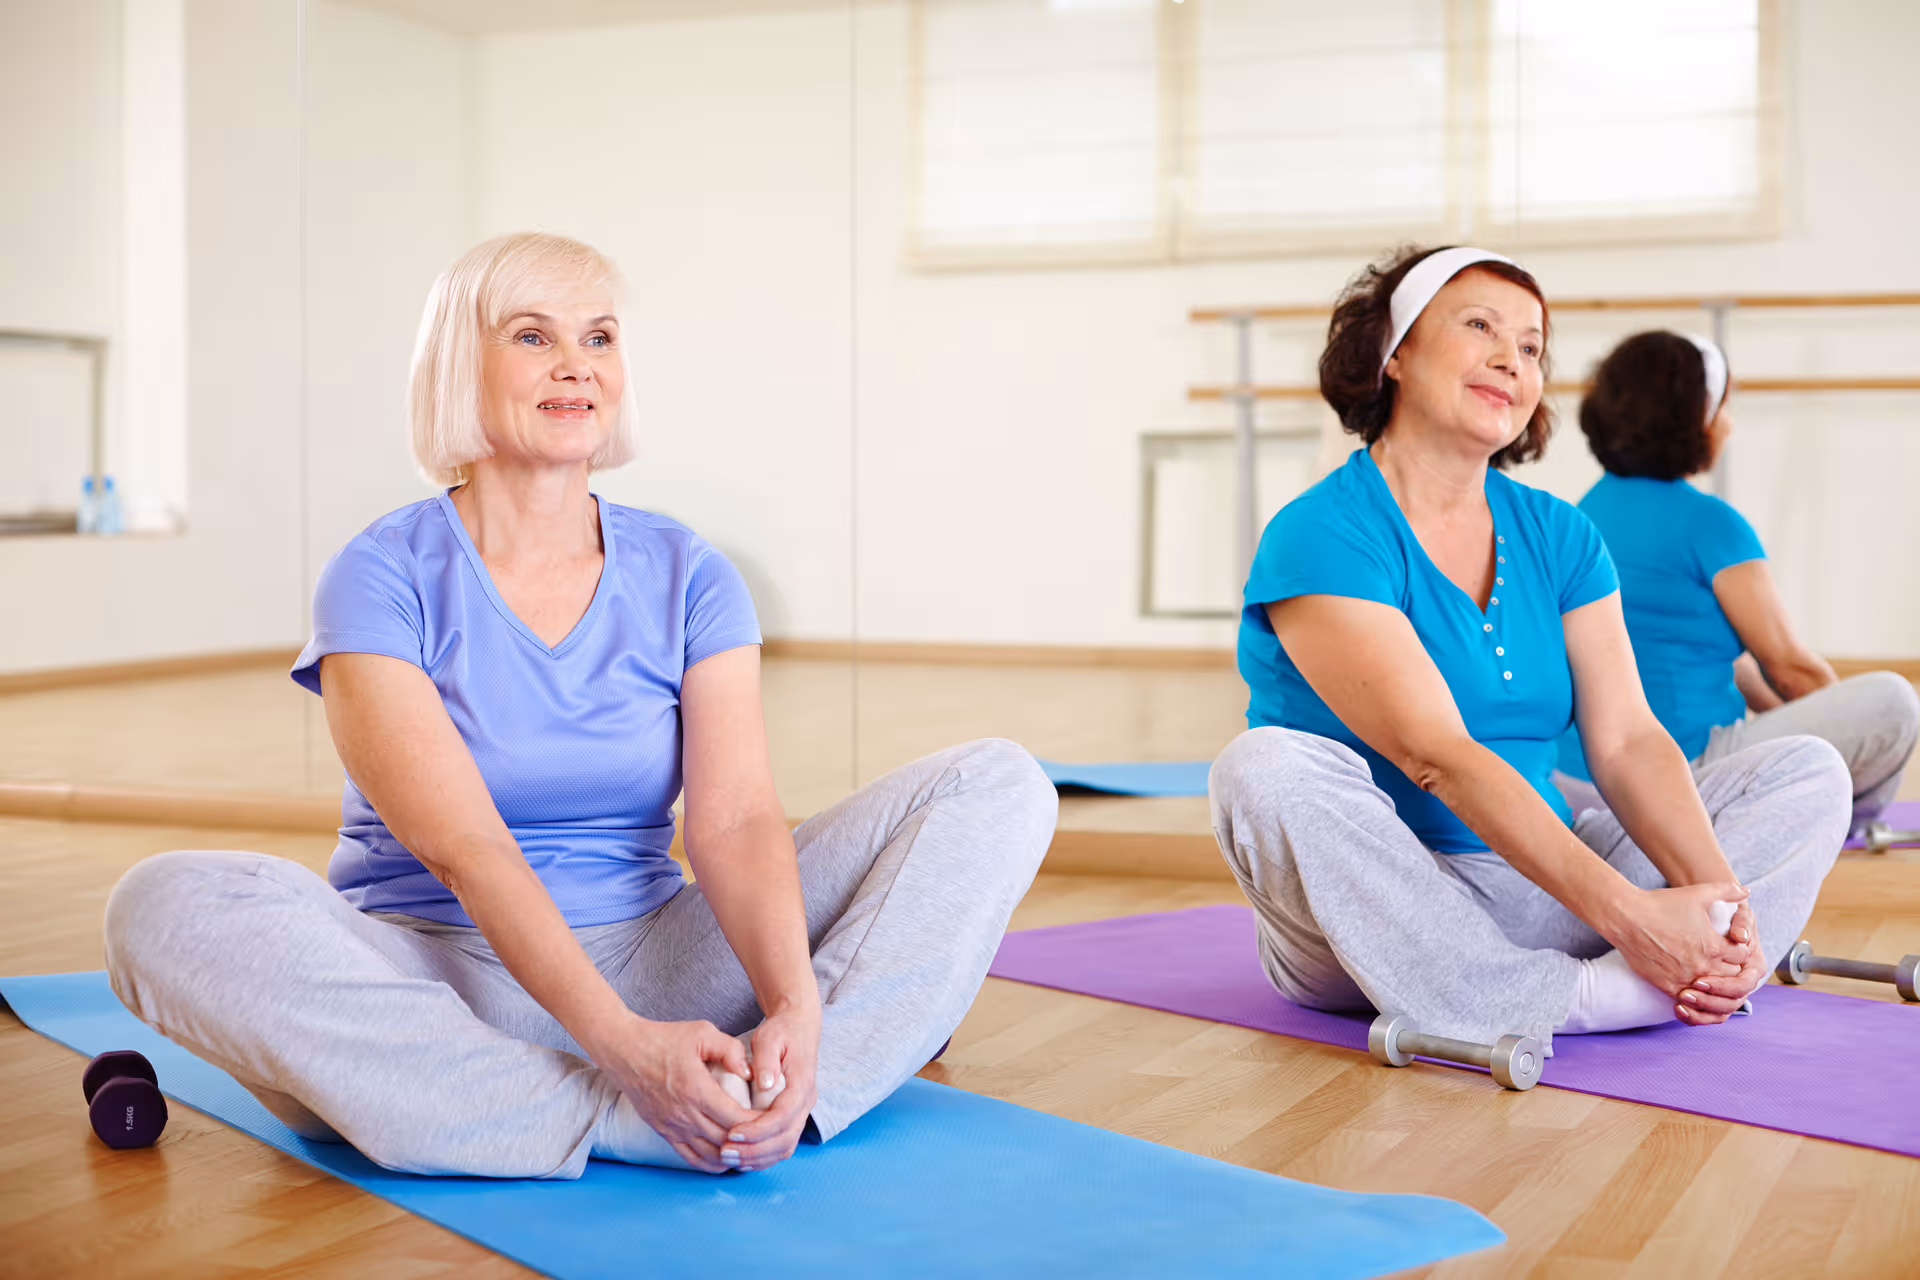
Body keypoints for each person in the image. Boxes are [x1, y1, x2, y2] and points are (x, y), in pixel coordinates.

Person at [102, 232, 1057, 1180]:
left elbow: (733, 821)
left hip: (654, 955)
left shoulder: (691, 573)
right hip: (435, 981)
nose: (575, 366)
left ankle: (794, 1091)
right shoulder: (380, 576)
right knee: (163, 904)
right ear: (457, 367)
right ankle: (620, 1114)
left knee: (999, 783)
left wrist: (796, 1008)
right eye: (531, 337)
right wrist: (626, 1052)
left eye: (598, 339)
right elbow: (466, 851)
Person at [1208, 246, 1852, 1052]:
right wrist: (1630, 917)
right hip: (1379, 914)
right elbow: (1435, 753)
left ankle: (1697, 968)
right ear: (1395, 353)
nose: (1509, 360)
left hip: (1542, 890)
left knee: (1809, 770)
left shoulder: (1562, 534)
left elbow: (1626, 741)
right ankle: (1584, 996)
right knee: (1261, 767)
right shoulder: (1323, 531)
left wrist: (1718, 901)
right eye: (1480, 326)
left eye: (1531, 347)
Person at [1552, 331, 1917, 832]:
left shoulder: (1581, 513)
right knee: (1892, 702)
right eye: (1721, 408)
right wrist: (1837, 720)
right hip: (1682, 772)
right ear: (1691, 420)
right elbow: (1790, 669)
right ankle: (1854, 821)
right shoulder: (1709, 523)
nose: (1729, 424)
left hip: (1580, 776)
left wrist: (1774, 723)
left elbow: (1731, 661)